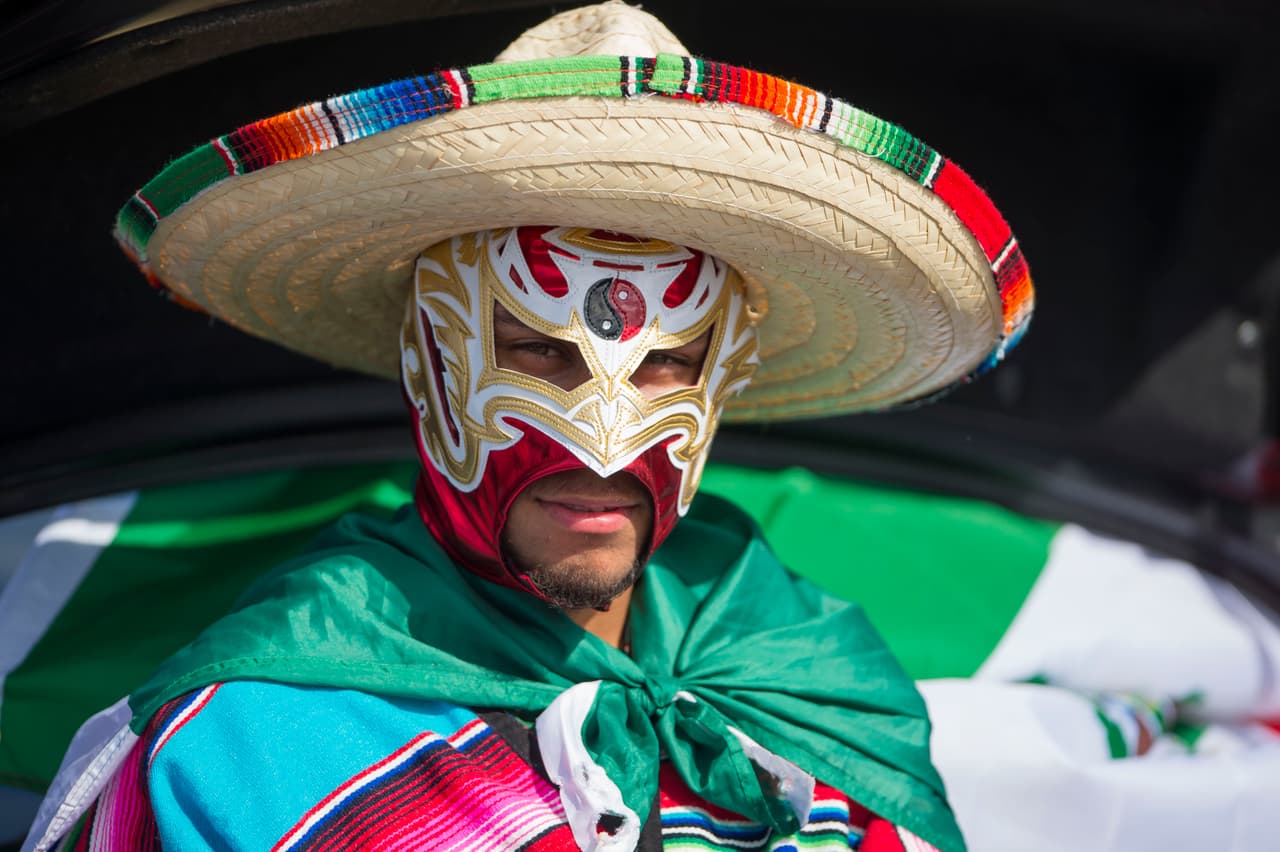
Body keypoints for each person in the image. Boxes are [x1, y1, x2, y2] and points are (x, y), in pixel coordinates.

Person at [23, 3, 1034, 851]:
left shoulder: (809, 683)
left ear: (722, 379)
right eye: (538, 351)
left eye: (667, 363)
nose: (603, 436)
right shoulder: (252, 742)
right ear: (429, 360)